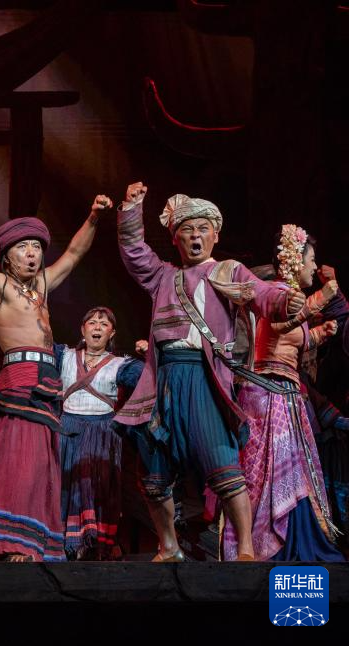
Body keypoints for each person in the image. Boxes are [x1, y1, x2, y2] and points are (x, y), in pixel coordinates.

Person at [112, 183, 300, 561]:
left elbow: (261, 293)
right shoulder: (163, 276)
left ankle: (245, 549)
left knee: (223, 466)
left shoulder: (228, 271)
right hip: (163, 382)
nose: (195, 236)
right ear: (176, 238)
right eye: (187, 230)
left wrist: (283, 301)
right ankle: (168, 546)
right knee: (154, 472)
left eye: (203, 229)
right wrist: (131, 209)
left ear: (215, 235)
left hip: (204, 378)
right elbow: (133, 251)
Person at [0, 195, 112, 561]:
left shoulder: (40, 286)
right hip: (20, 375)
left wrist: (93, 216)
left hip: (47, 376)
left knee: (42, 462)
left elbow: (74, 254)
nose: (32, 254)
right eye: (23, 247)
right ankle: (11, 542)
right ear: (7, 256)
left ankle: (35, 543)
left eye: (37, 247)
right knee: (20, 458)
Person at [222, 225, 343, 561]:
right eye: (311, 260)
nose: (314, 267)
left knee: (294, 468)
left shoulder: (291, 298)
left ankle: (295, 542)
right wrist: (322, 298)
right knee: (271, 471)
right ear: (294, 261)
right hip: (268, 394)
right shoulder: (276, 293)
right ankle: (268, 545)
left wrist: (320, 333)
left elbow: (291, 340)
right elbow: (277, 325)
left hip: (285, 393)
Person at [56, 306, 142, 560]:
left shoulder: (121, 365)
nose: (97, 327)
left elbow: (149, 380)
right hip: (67, 430)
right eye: (92, 322)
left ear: (111, 333)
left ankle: (95, 543)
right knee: (66, 484)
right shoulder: (63, 356)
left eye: (104, 324)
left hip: (102, 433)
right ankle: (64, 542)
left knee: (97, 486)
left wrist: (150, 354)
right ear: (82, 330)